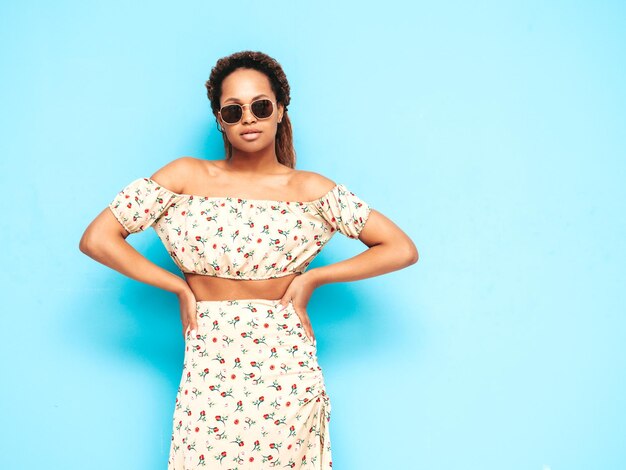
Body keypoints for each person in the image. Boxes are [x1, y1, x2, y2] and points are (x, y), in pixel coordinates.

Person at [79, 50, 418, 469]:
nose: (249, 119)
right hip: (210, 357)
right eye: (233, 110)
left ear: (280, 111)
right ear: (220, 120)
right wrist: (177, 286)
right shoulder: (185, 176)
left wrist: (314, 279)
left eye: (260, 106)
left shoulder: (310, 189)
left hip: (284, 361)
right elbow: (97, 238)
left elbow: (401, 248)